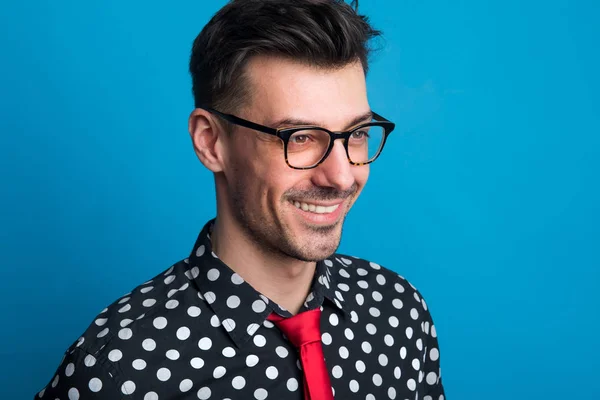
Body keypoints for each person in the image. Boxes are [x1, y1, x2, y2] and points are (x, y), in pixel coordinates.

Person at [34, 0, 446, 399]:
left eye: (356, 133)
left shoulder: (399, 311)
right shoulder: (118, 372)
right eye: (299, 137)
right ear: (211, 142)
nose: (341, 176)